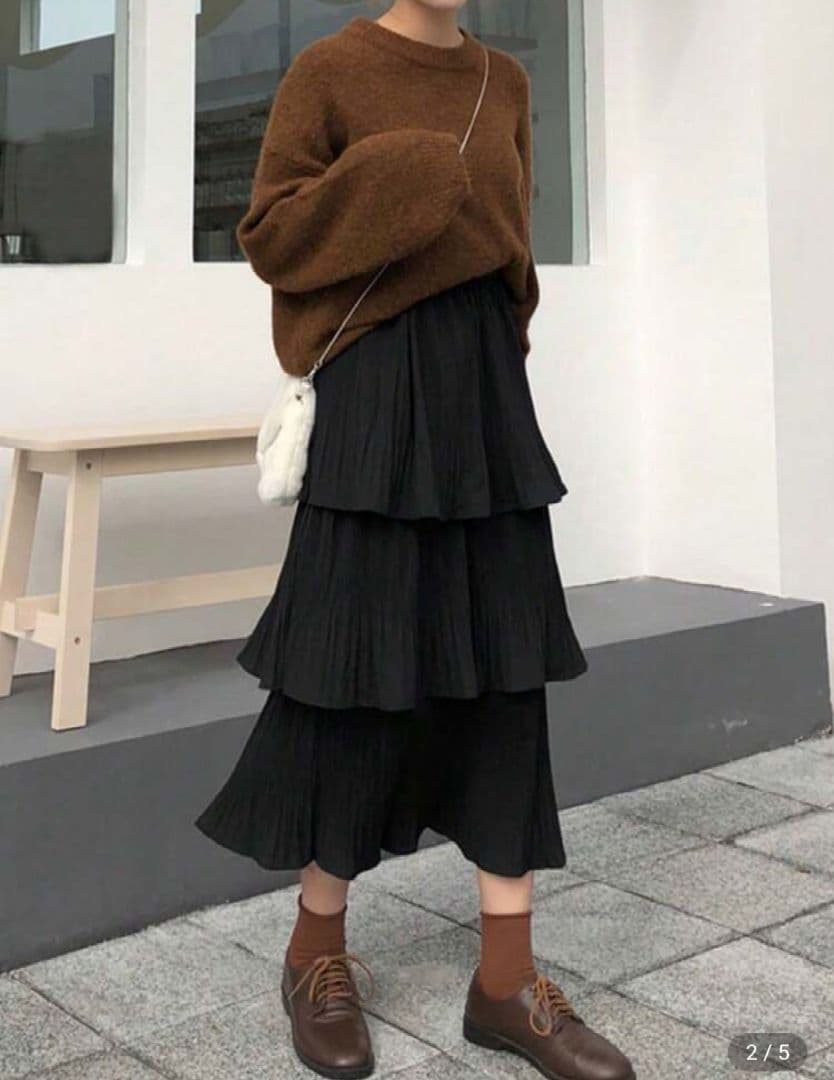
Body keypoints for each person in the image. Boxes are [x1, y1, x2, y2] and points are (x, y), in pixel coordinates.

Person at [195, 3, 635, 1079]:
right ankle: (315, 952)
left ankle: (506, 981)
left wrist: (490, 353)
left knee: (504, 671)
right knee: (349, 672)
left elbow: (514, 249)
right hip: (375, 392)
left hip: (482, 393)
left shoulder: (506, 82)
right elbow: (273, 239)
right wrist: (402, 173)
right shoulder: (329, 70)